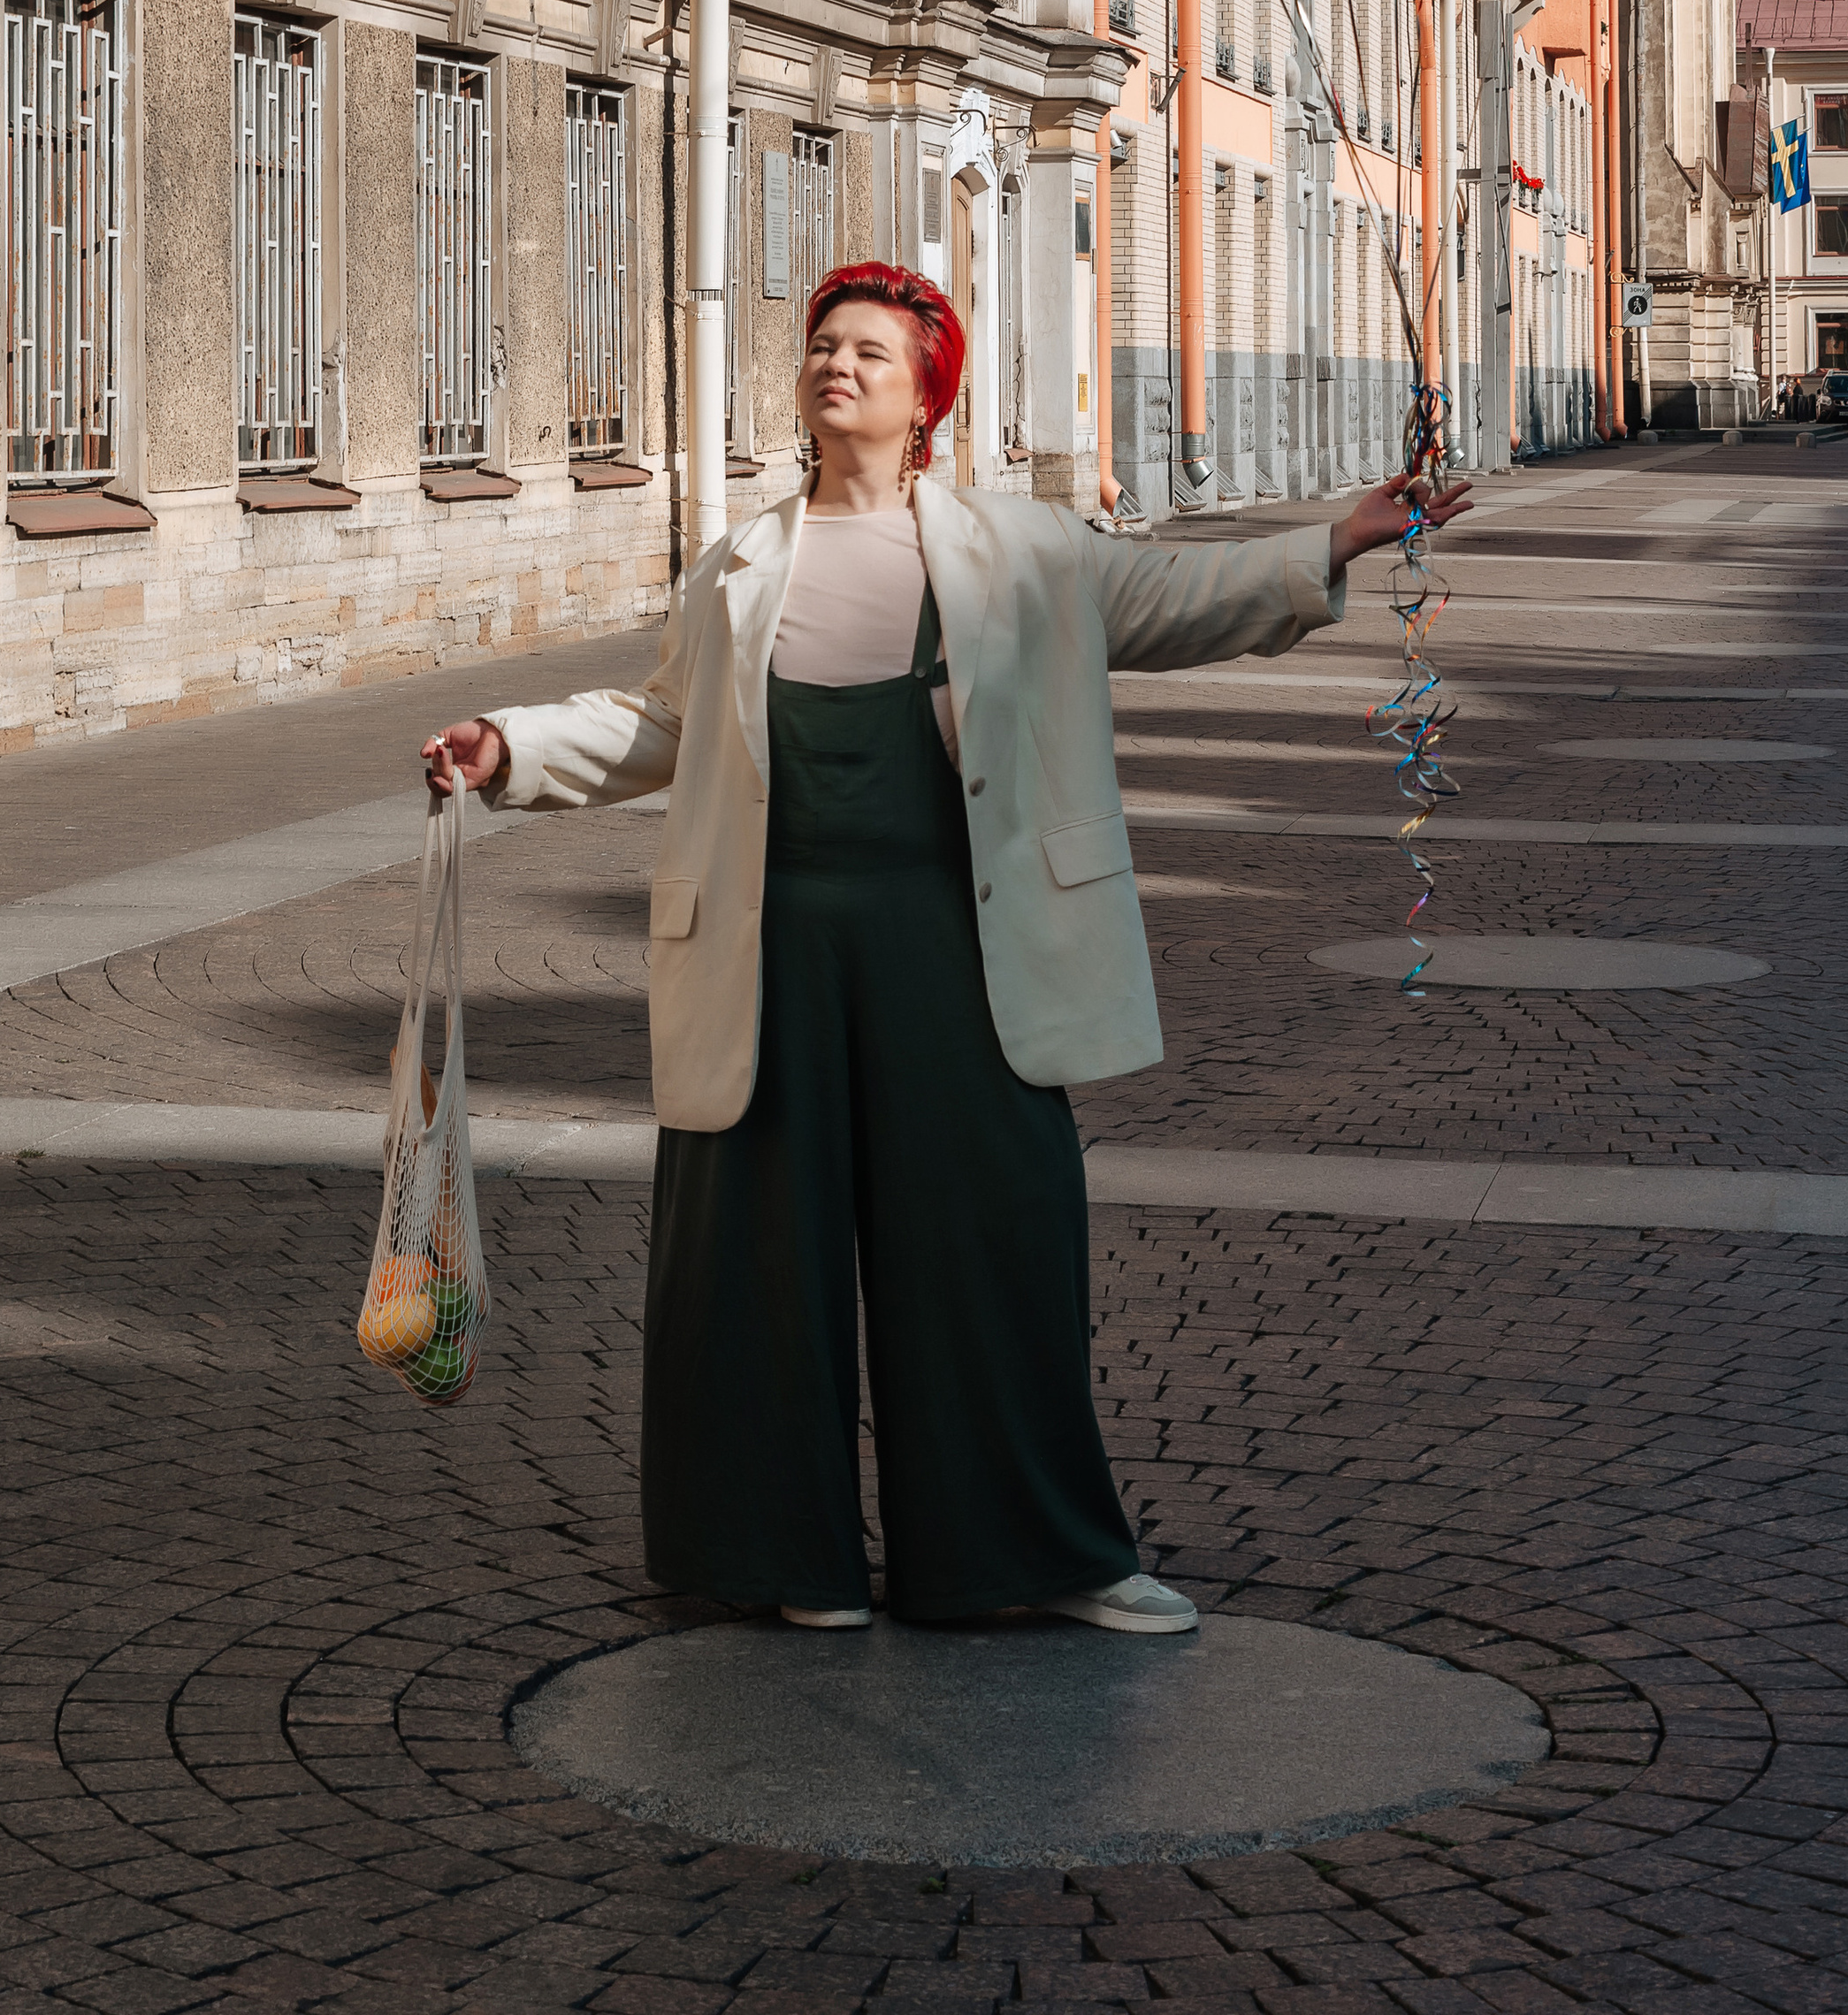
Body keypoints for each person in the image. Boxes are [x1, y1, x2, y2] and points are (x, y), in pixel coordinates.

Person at [424, 262, 1469, 1638]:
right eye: (822, 349)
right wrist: (512, 750)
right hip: (768, 951)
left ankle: (1037, 1556)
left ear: (927, 397)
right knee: (754, 1263)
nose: (835, 366)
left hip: (964, 952)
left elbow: (1173, 594)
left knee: (993, 1243)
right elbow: (662, 723)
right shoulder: (739, 564)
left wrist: (1334, 540)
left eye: (868, 352)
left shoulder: (1021, 549)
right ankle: (779, 1561)